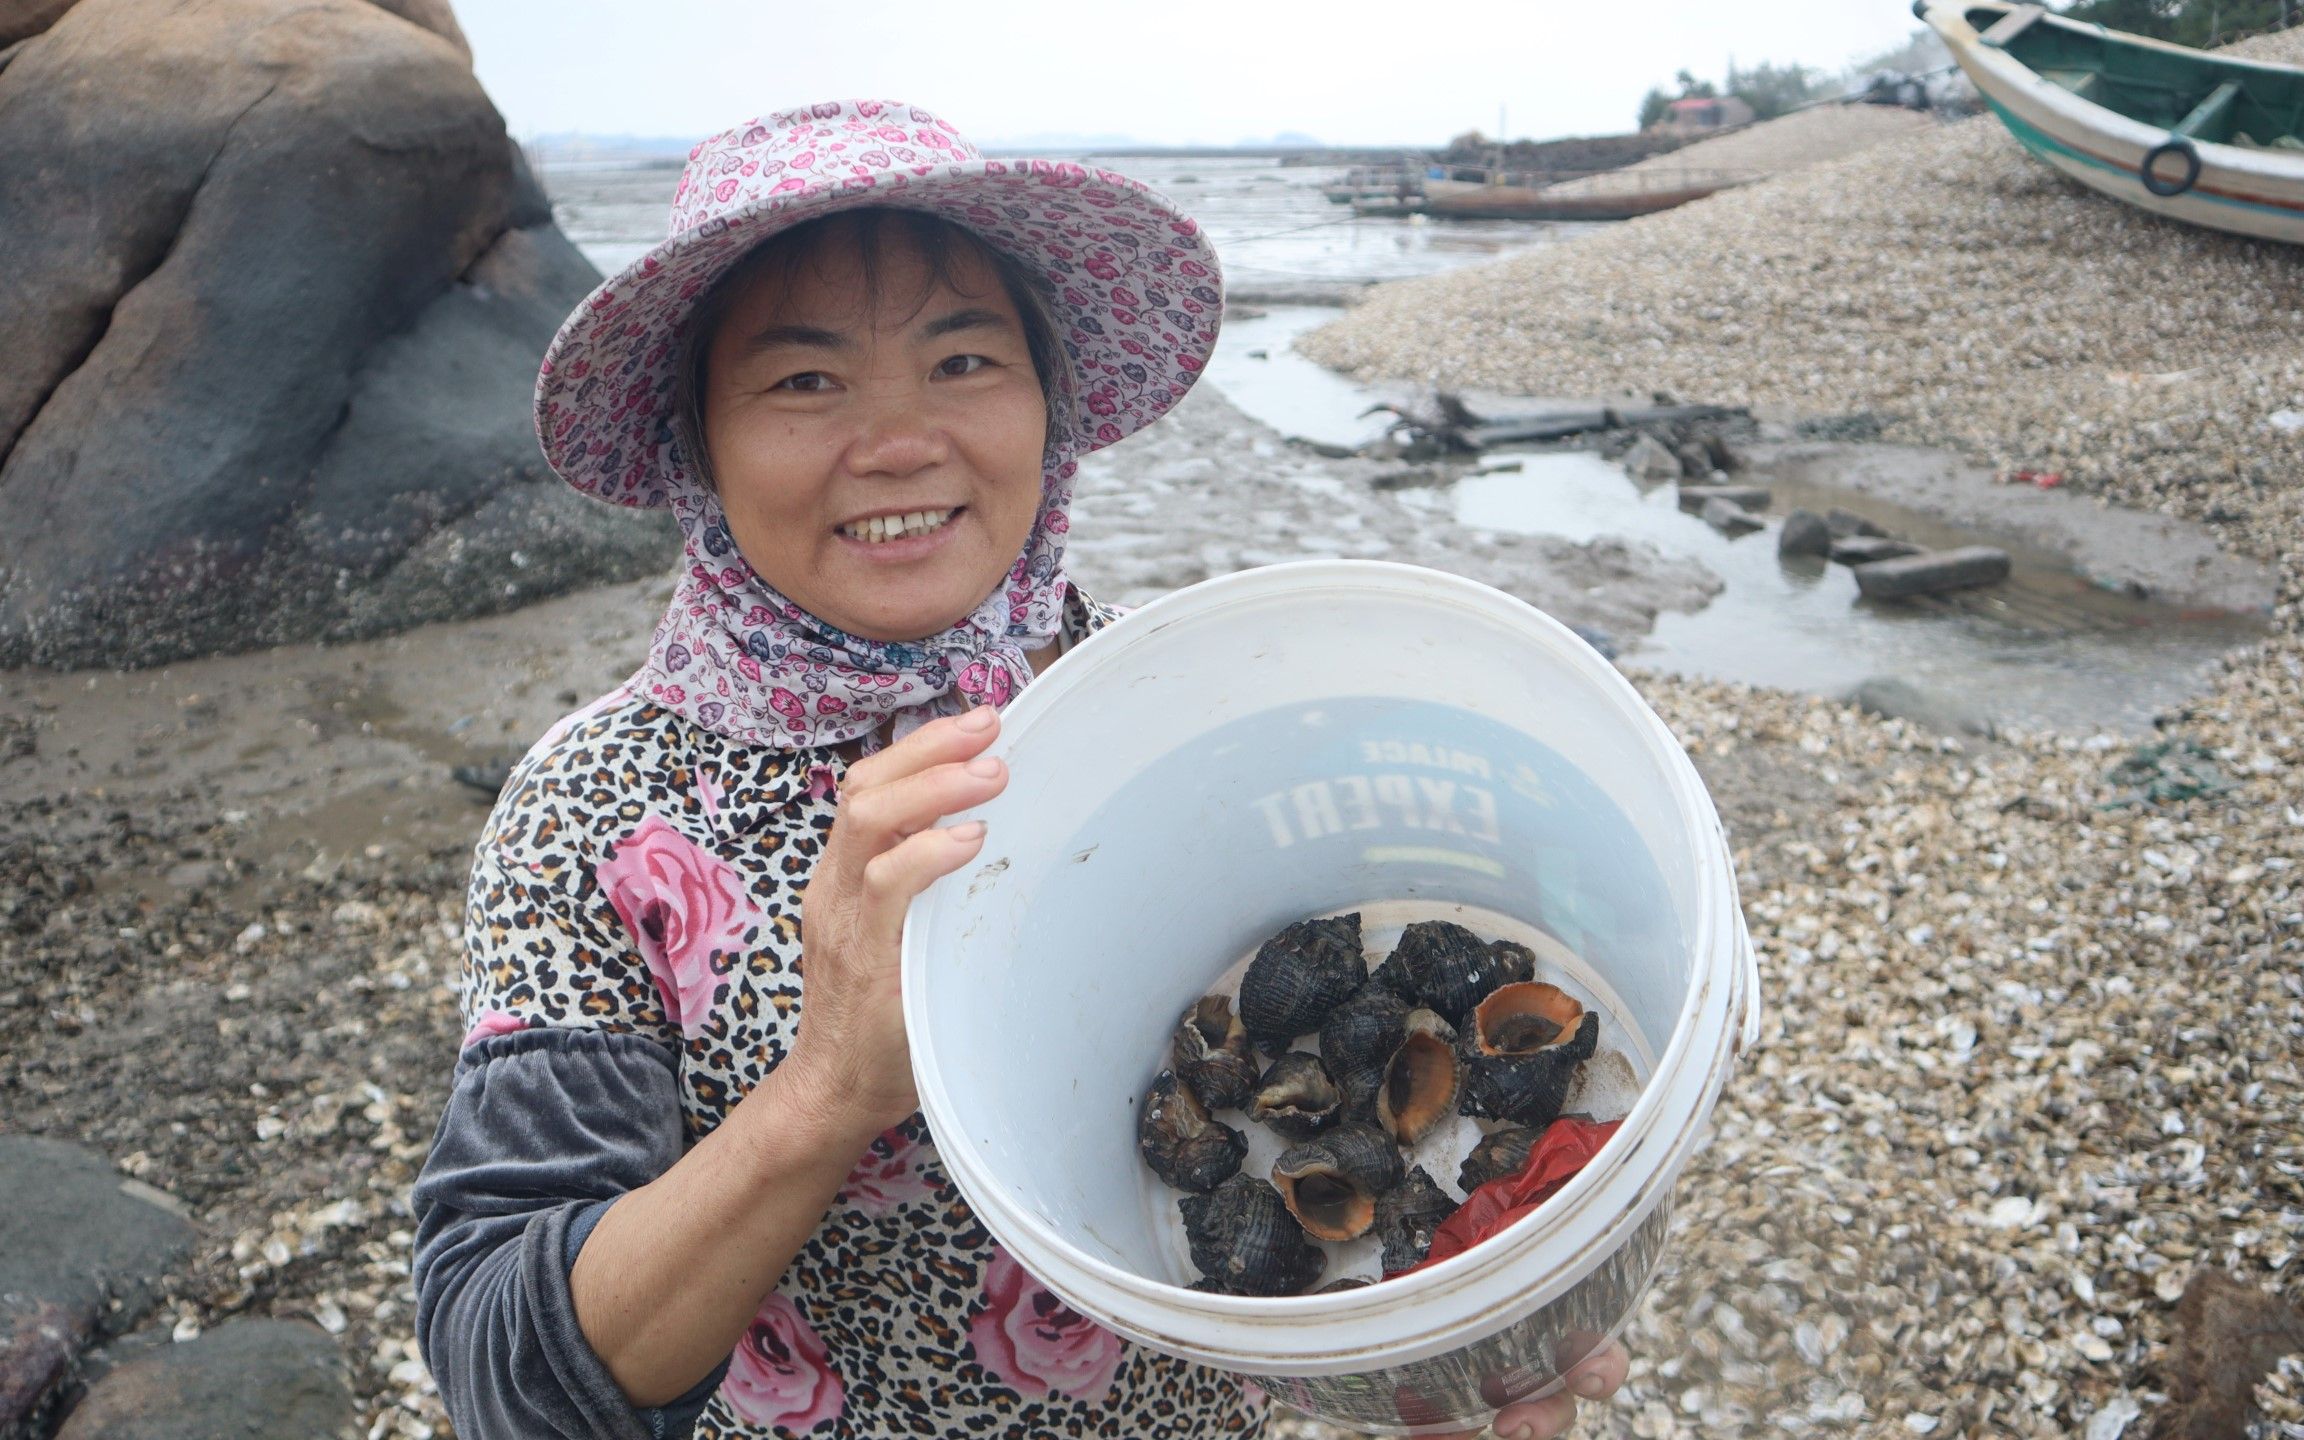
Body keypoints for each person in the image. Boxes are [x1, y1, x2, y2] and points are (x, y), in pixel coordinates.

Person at [410, 99, 1627, 1440]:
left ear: (1050, 405)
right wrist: (828, 1089)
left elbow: (1321, 1122)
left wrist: (1453, 1343)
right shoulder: (598, 813)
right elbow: (501, 1378)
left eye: (965, 359)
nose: (898, 443)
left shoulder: (1177, 714)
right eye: (803, 379)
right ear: (700, 441)